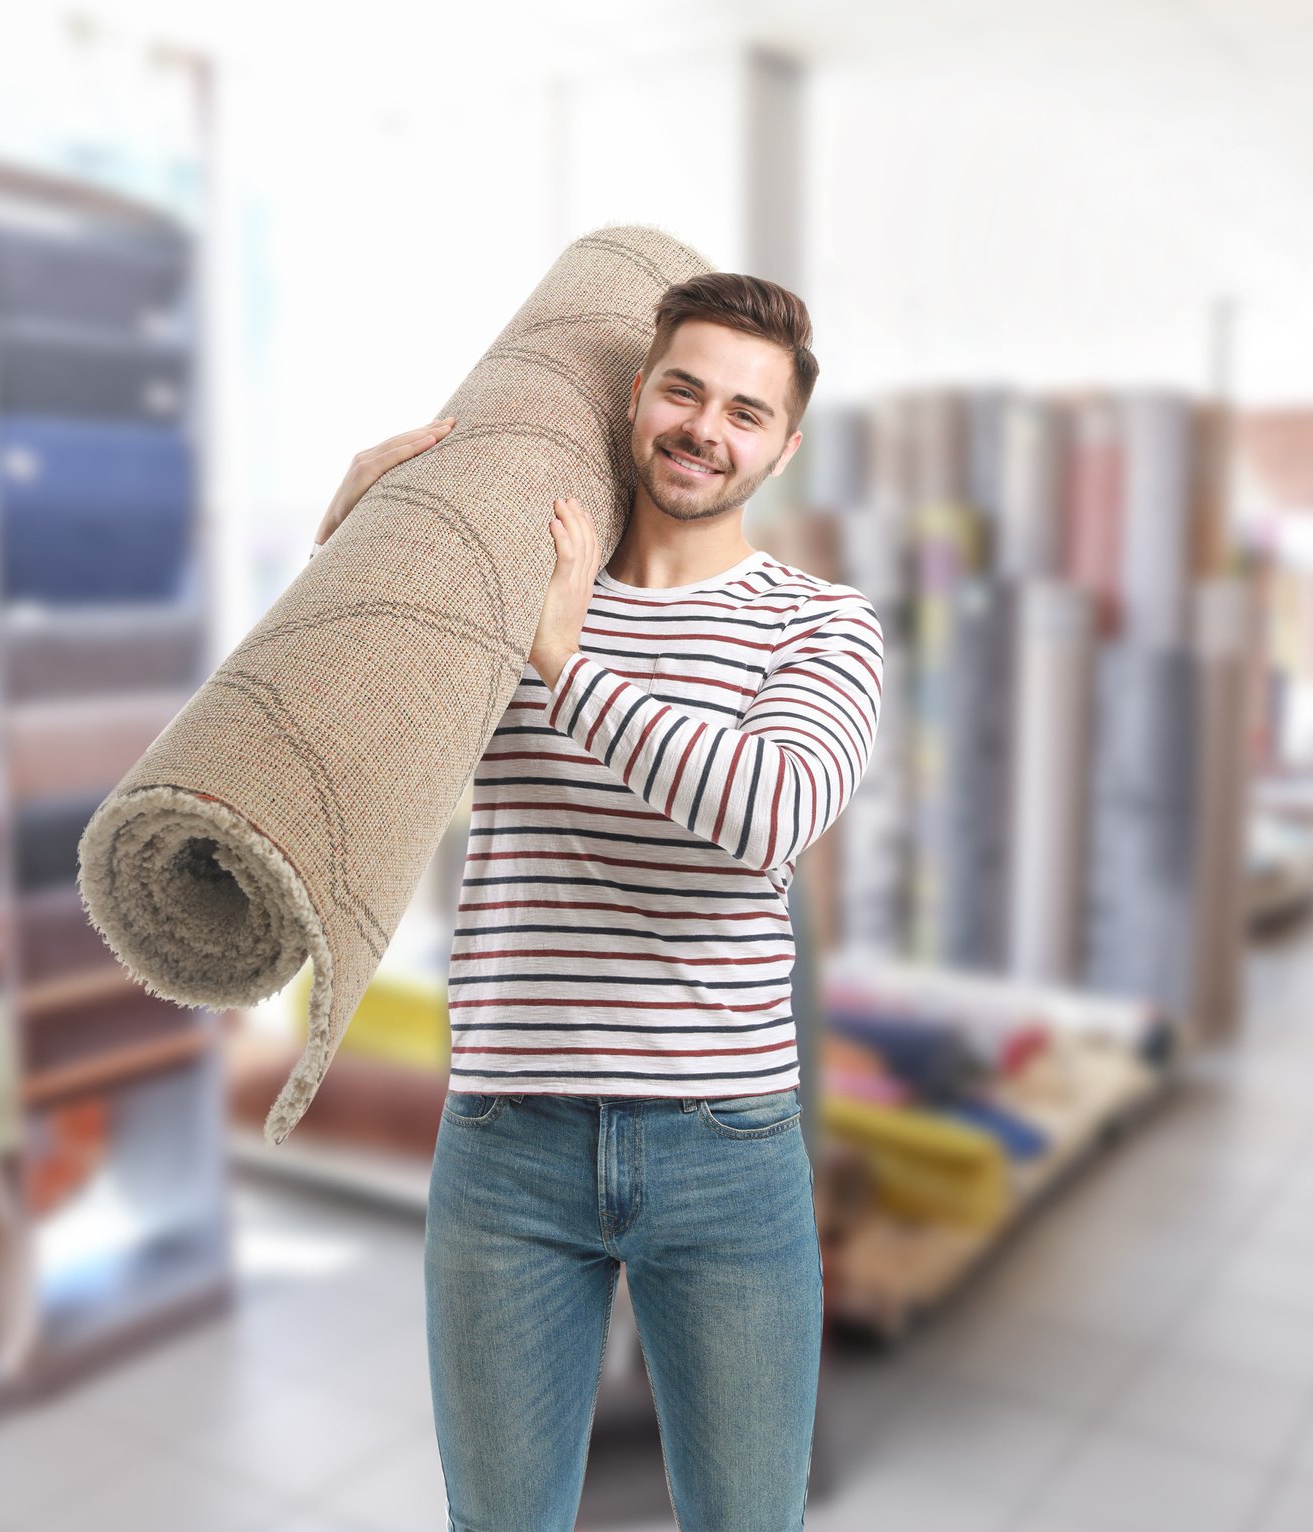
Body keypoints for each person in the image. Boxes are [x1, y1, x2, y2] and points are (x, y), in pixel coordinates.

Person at [315, 273, 885, 1531]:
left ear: (782, 446)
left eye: (746, 410)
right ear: (637, 397)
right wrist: (351, 548)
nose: (705, 426)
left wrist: (567, 662)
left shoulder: (821, 626)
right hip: (507, 1145)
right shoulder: (506, 592)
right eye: (683, 388)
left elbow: (769, 810)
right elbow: (341, 747)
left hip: (725, 1153)